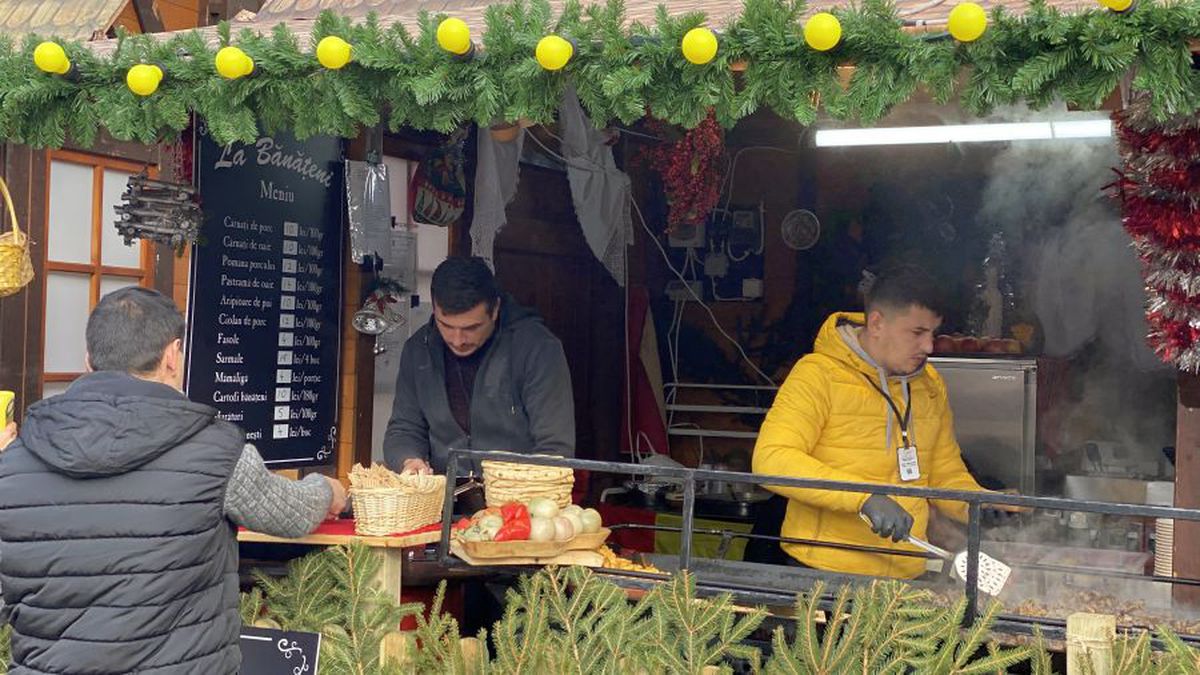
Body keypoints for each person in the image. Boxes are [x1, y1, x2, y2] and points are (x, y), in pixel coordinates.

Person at [0, 287, 347, 674]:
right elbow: (290, 514)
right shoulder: (215, 449)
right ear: (171, 355)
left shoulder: (14, 462)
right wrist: (329, 489)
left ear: (88, 359)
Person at [752, 264, 990, 579]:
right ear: (876, 323)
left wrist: (980, 506)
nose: (929, 347)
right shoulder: (817, 375)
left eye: (933, 333)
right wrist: (863, 498)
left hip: (907, 574)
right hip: (826, 574)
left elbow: (945, 472)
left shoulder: (930, 384)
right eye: (917, 333)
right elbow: (771, 460)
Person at [383, 256, 575, 481]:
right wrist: (409, 460)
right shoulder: (418, 349)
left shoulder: (537, 348)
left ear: (495, 310)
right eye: (445, 325)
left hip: (518, 502)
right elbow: (404, 430)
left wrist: (518, 493)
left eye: (471, 327)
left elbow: (554, 449)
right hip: (444, 503)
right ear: (434, 308)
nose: (457, 340)